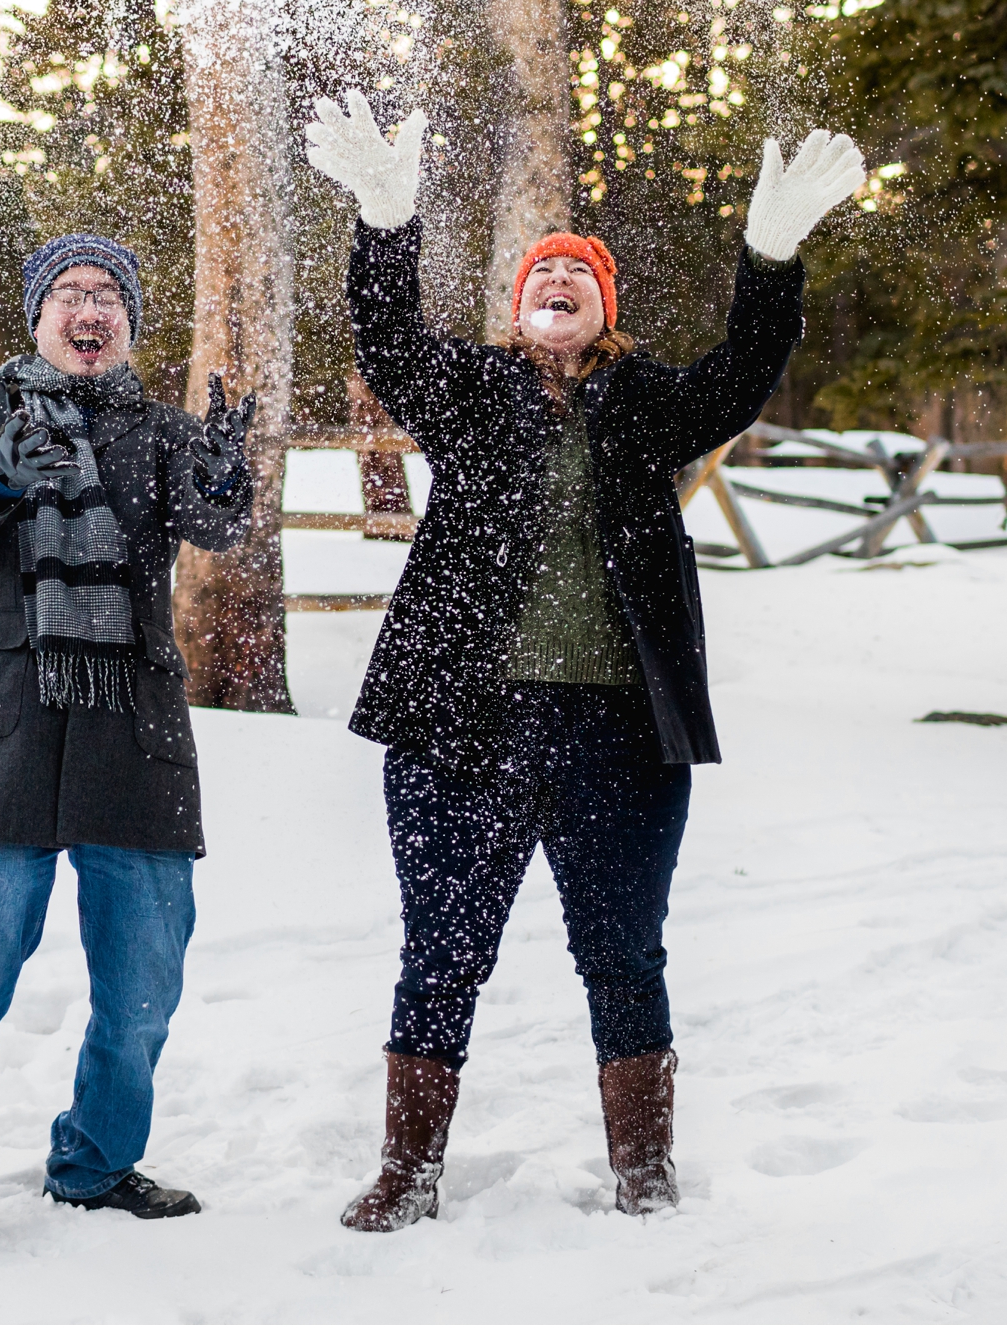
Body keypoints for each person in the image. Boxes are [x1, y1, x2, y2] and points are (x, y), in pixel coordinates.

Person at [302, 90, 865, 1229]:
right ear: (520, 309)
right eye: (541, 278)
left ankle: (645, 1172)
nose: (558, 285)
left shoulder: (647, 403)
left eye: (581, 279)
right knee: (441, 952)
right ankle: (407, 1174)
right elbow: (386, 341)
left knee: (623, 952)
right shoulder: (468, 391)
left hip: (616, 729)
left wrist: (771, 256)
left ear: (602, 309)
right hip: (463, 727)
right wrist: (384, 221)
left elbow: (745, 368)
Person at [0, 233, 256, 1282]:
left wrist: (227, 473)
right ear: (39, 311)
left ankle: (94, 1161)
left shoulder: (161, 427)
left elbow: (213, 524)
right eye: (71, 294)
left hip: (130, 731)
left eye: (110, 298)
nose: (90, 312)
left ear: (130, 321)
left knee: (143, 983)